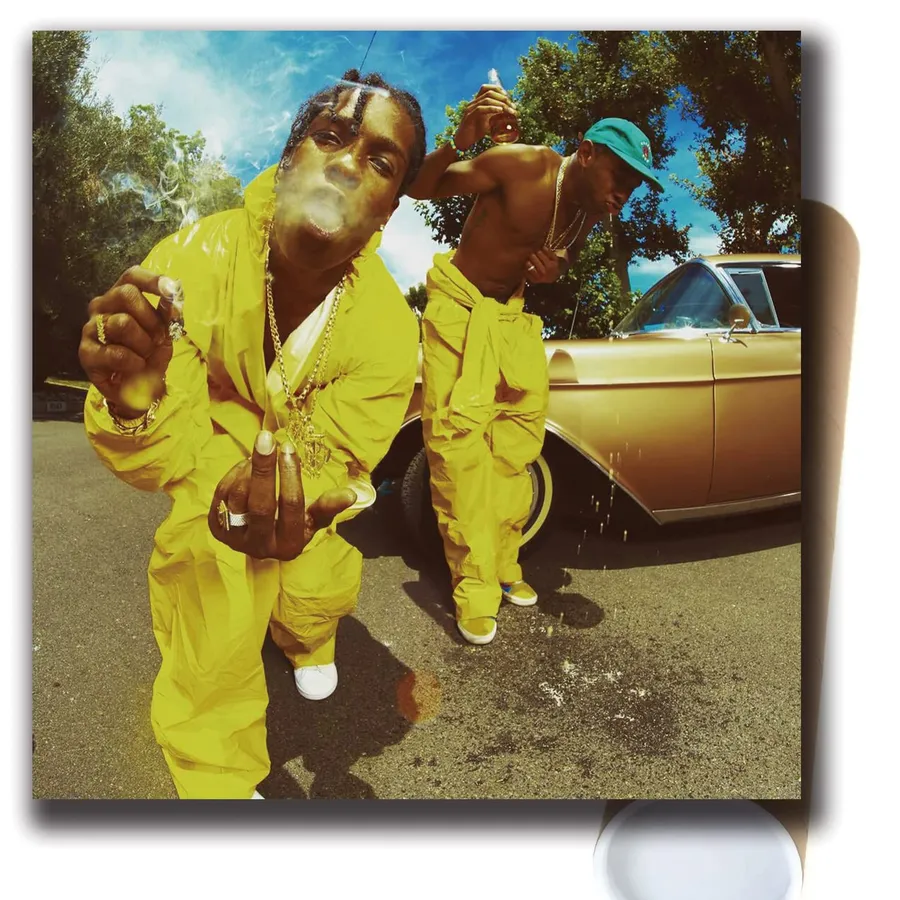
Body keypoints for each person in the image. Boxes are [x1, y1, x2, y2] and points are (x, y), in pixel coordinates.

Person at [78, 69, 426, 799]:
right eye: (329, 137)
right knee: (214, 562)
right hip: (209, 442)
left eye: (379, 160)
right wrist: (134, 401)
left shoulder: (391, 331)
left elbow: (341, 454)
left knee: (315, 573)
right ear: (289, 157)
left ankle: (308, 637)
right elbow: (160, 460)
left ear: (389, 210)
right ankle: (214, 771)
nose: (345, 164)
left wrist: (306, 501)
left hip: (305, 456)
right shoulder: (191, 259)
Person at [406, 91, 665, 646]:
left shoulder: (591, 209)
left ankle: (503, 562)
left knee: (516, 448)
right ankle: (473, 588)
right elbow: (419, 187)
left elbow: (567, 255)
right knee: (460, 453)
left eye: (636, 185)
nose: (625, 193)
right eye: (621, 176)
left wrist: (556, 269)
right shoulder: (522, 165)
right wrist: (460, 139)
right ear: (587, 153)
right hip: (459, 312)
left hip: (512, 319)